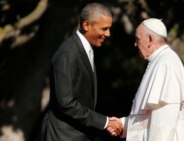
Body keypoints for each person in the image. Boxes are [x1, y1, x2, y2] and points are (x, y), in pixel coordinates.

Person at [40, 3, 122, 141]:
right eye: (104, 28)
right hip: (63, 136)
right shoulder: (68, 53)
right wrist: (105, 122)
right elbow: (66, 103)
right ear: (86, 25)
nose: (108, 34)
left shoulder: (84, 50)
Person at [108, 18, 184, 141]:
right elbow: (148, 118)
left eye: (138, 39)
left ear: (149, 39)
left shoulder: (166, 63)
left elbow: (164, 124)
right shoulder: (159, 61)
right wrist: (123, 124)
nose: (135, 44)